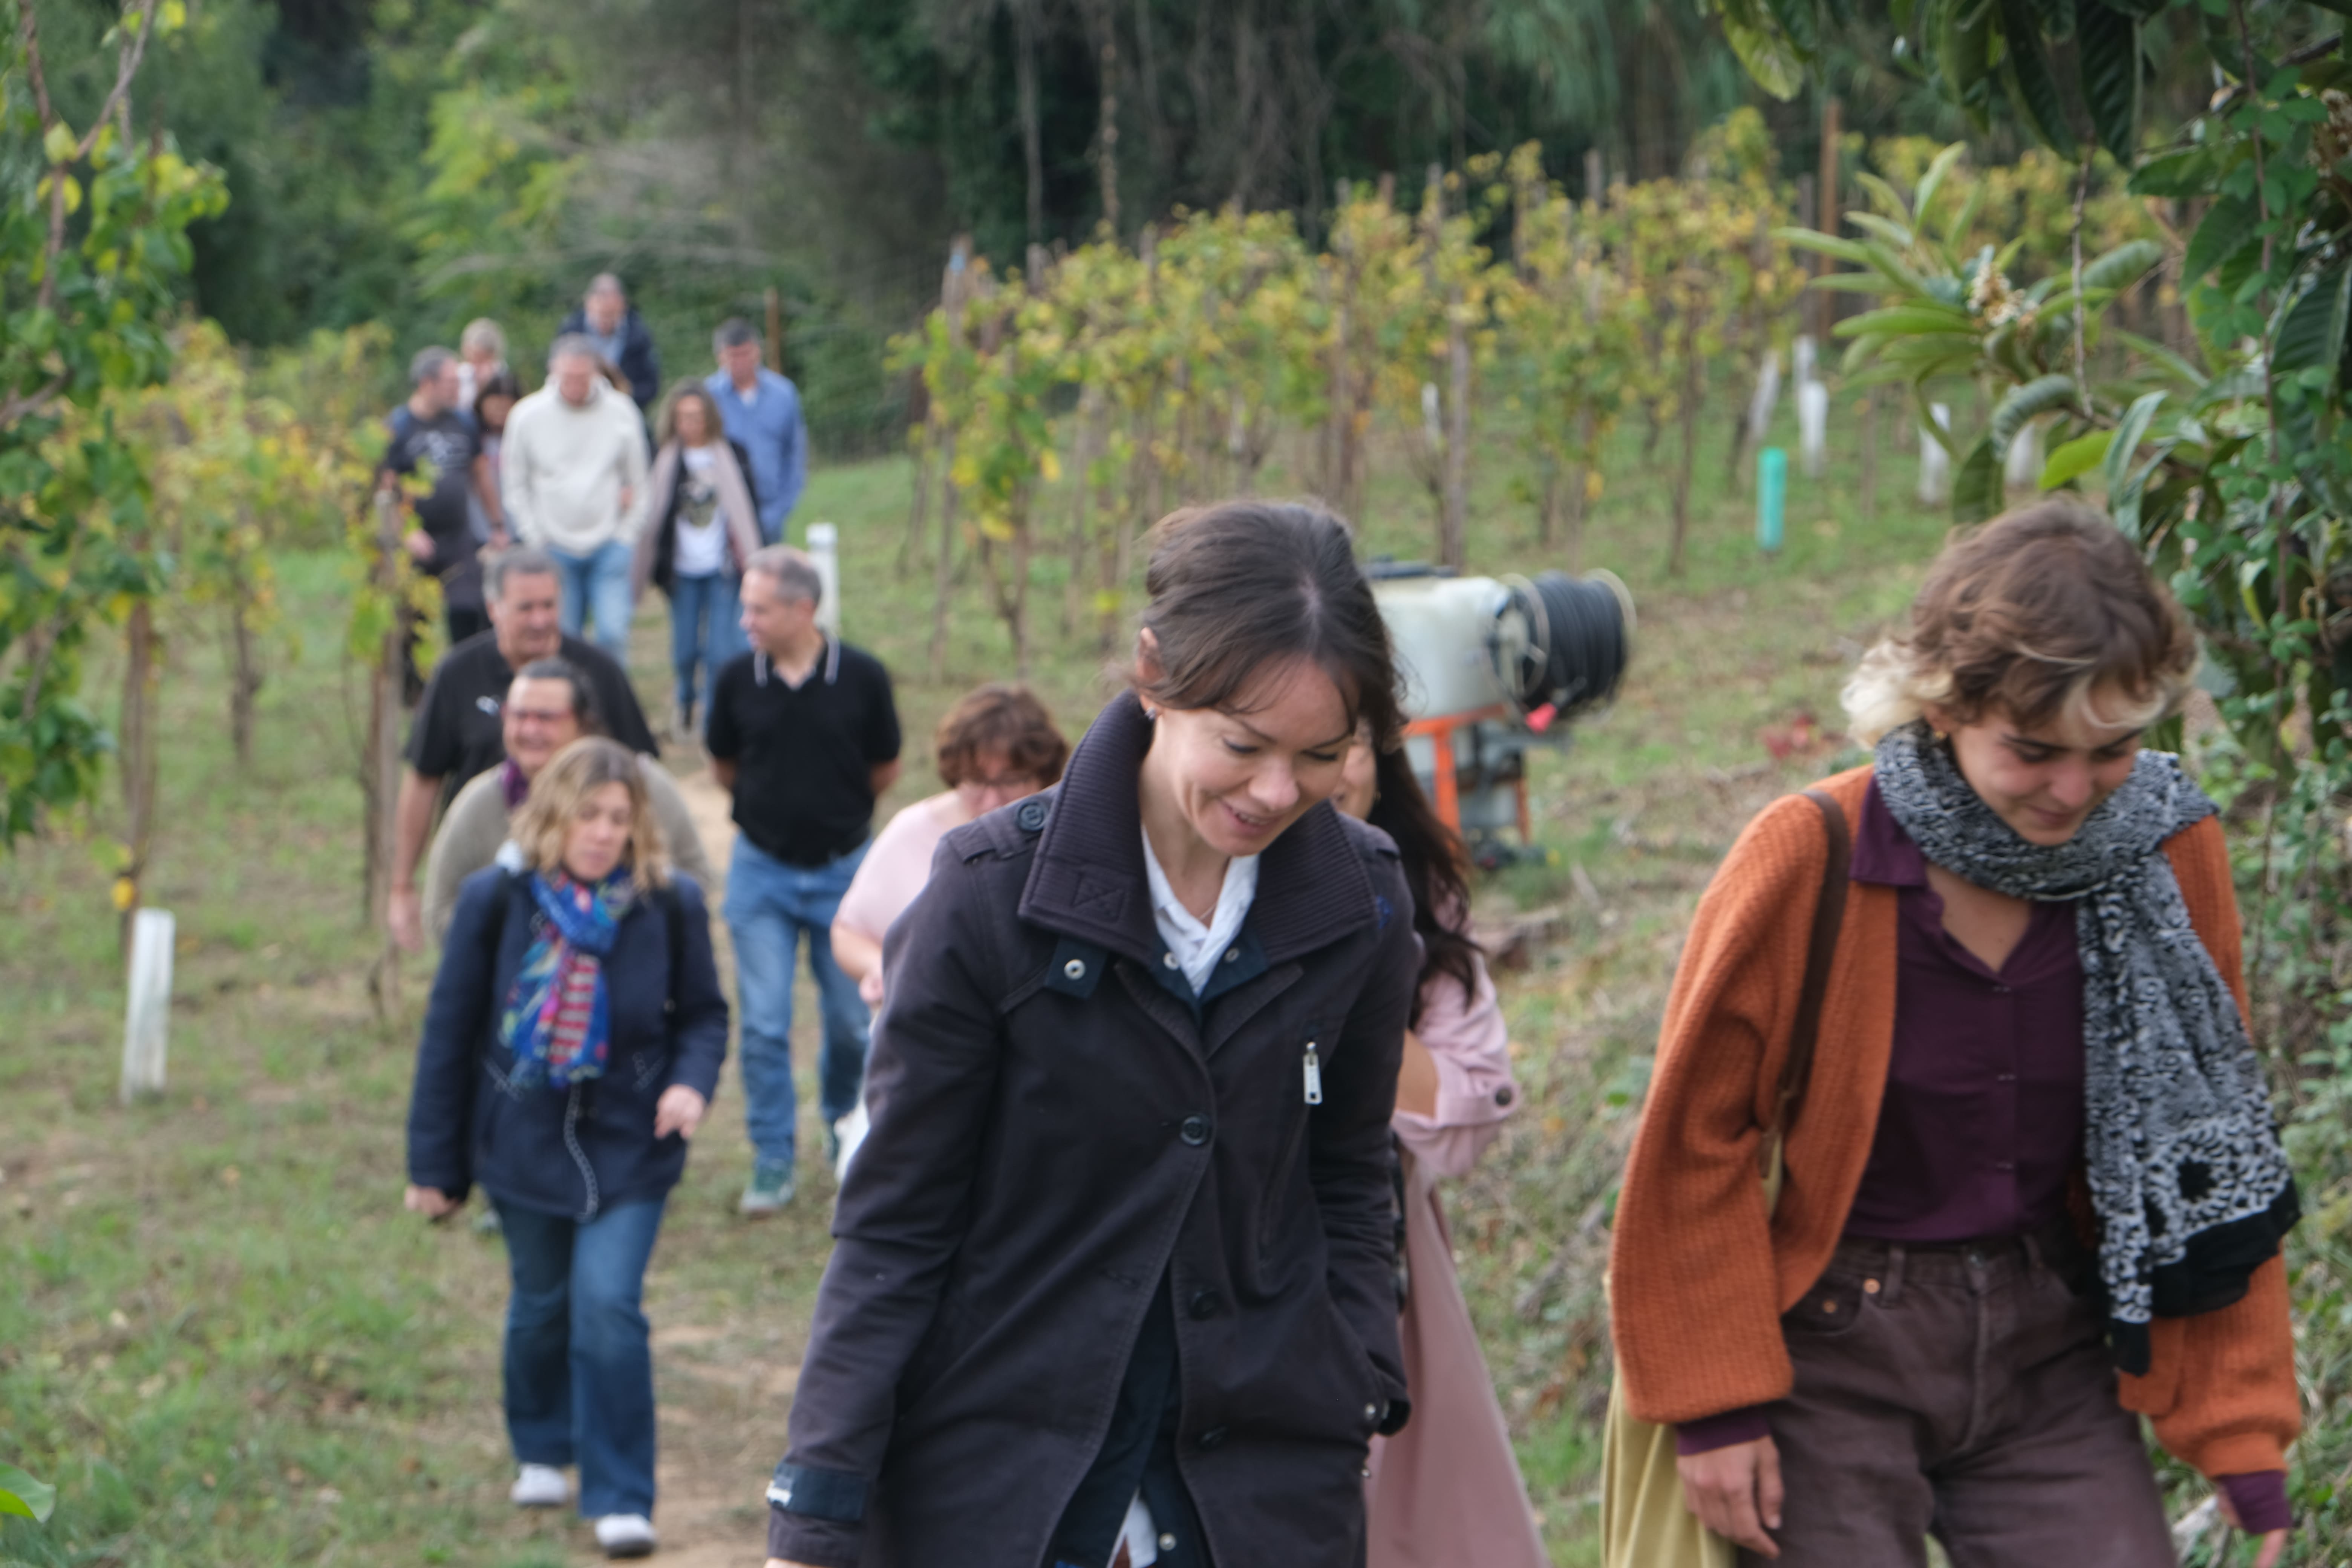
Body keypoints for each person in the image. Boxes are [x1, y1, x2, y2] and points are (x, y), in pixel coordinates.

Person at [1611, 501, 2300, 1567]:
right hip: (1835, 1352)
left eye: (2110, 749)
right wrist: (1716, 1406)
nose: (2074, 790)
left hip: (2051, 1351)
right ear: (1940, 705)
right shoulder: (1811, 857)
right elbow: (1697, 1144)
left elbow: (2209, 1151)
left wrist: (2240, 1428)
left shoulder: (2166, 854)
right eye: (2032, 751)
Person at [762, 500, 1421, 1568]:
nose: (1273, 792)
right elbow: (895, 1222)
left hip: (1260, 1489)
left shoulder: (1362, 907)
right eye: (1243, 745)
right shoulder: (987, 902)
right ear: (1155, 676)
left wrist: (1355, 1373)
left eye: (1320, 756)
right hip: (1005, 1481)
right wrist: (818, 1506)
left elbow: (1346, 1173)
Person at [406, 737, 727, 1561]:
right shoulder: (496, 900)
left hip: (633, 1142)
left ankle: (622, 1493)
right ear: (554, 815)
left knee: (609, 1308)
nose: (603, 832)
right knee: (542, 1304)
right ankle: (543, 1444)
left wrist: (690, 1082)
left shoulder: (670, 902)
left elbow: (702, 1014)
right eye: (588, 814)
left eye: (619, 817)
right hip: (523, 1140)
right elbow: (449, 1037)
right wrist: (434, 1168)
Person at [1334, 738, 1547, 1568]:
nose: (1309, 773)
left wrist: (1348, 956)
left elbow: (1463, 1116)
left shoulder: (1417, 903)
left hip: (1383, 1279)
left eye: (1343, 743)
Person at [707, 547, 902, 1213]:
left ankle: (843, 1125)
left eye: (759, 608)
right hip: (760, 872)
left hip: (846, 874)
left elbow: (884, 766)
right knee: (762, 1024)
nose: (745, 620)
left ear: (803, 609)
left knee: (852, 1023)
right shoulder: (736, 679)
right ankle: (771, 1157)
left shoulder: (864, 678)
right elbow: (725, 764)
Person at [390, 548, 660, 953]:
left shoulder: (599, 673)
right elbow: (424, 777)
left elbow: (641, 775)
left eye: (549, 605)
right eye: (526, 608)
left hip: (591, 897)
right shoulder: (458, 674)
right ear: (494, 607)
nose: (540, 620)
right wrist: (402, 884)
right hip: (488, 877)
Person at [423, 658, 714, 946]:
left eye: (546, 718)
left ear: (584, 723)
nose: (530, 730)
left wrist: (633, 935)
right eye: (519, 716)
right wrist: (513, 945)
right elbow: (440, 909)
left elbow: (696, 879)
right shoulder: (482, 802)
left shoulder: (642, 788)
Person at [503, 336, 651, 660]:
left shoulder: (622, 413)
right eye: (567, 378)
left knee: (613, 634)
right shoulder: (527, 416)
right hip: (553, 545)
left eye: (582, 378)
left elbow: (639, 480)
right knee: (561, 639)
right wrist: (535, 536)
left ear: (597, 374)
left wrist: (627, 535)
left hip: (609, 543)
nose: (575, 386)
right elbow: (515, 484)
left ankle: (609, 706)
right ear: (553, 373)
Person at [629, 381, 762, 738]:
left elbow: (748, 511)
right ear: (673, 420)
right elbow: (652, 515)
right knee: (685, 650)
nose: (692, 424)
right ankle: (685, 701)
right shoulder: (664, 460)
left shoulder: (732, 454)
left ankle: (711, 722)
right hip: (682, 572)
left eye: (698, 417)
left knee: (721, 650)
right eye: (684, 417)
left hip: (722, 569)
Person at [380, 346, 496, 645]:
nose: (458, 389)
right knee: (412, 622)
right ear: (427, 383)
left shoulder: (464, 422)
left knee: (470, 609)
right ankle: (414, 690)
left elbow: (480, 474)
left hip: (458, 537)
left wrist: (497, 525)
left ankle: (467, 681)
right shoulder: (399, 427)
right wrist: (407, 530)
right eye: (451, 382)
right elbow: (386, 489)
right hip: (415, 540)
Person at [706, 318, 807, 545]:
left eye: (745, 354)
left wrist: (783, 506)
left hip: (770, 512)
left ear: (757, 353)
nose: (740, 362)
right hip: (723, 517)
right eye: (733, 356)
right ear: (720, 357)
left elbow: (795, 453)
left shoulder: (783, 394)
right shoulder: (708, 398)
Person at [562, 273, 662, 412]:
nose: (606, 319)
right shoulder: (570, 332)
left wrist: (626, 397)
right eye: (601, 313)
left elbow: (651, 384)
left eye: (612, 314)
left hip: (626, 410)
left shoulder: (639, 336)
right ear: (588, 303)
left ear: (623, 306)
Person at [473, 370, 522, 547]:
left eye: (507, 407)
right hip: (480, 529)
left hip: (519, 527)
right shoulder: (473, 435)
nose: (500, 413)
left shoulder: (523, 434)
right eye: (495, 407)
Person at [458, 317, 510, 412]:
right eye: (472, 360)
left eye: (481, 360)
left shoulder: (504, 378)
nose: (475, 367)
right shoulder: (460, 376)